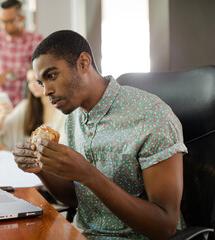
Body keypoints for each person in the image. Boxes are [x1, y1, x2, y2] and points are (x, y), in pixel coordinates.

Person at [12, 30, 188, 239]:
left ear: (83, 63)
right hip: (81, 233)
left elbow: (165, 225)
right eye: (41, 83)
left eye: (51, 76)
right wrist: (40, 170)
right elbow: (77, 199)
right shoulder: (74, 117)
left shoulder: (151, 116)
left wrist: (88, 174)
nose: (46, 91)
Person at [0, 0, 43, 117]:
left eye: (9, 21)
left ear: (21, 18)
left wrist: (8, 76)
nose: (4, 26)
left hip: (25, 110)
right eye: (1, 21)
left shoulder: (35, 39)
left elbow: (37, 72)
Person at [0, 69, 66, 150]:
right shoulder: (26, 106)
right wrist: (1, 115)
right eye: (29, 81)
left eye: (36, 80)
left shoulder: (65, 110)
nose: (32, 85)